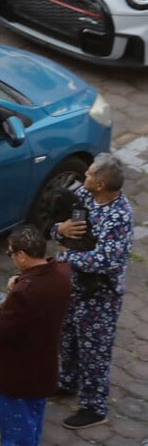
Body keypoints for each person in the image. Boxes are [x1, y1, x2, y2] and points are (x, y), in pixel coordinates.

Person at [50, 152, 133, 429]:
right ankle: (67, 382)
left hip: (100, 296)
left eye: (89, 174)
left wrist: (65, 258)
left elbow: (106, 261)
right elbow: (60, 231)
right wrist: (59, 229)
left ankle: (94, 407)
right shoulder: (85, 198)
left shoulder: (119, 216)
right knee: (68, 337)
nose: (84, 175)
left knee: (94, 351)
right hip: (74, 287)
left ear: (100, 185)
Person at [0, 225, 72, 446]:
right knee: (34, 419)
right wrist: (22, 279)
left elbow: (4, 326)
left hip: (19, 372)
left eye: (11, 253)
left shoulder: (26, 292)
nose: (12, 258)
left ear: (22, 255)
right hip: (44, 367)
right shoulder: (62, 273)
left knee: (17, 431)